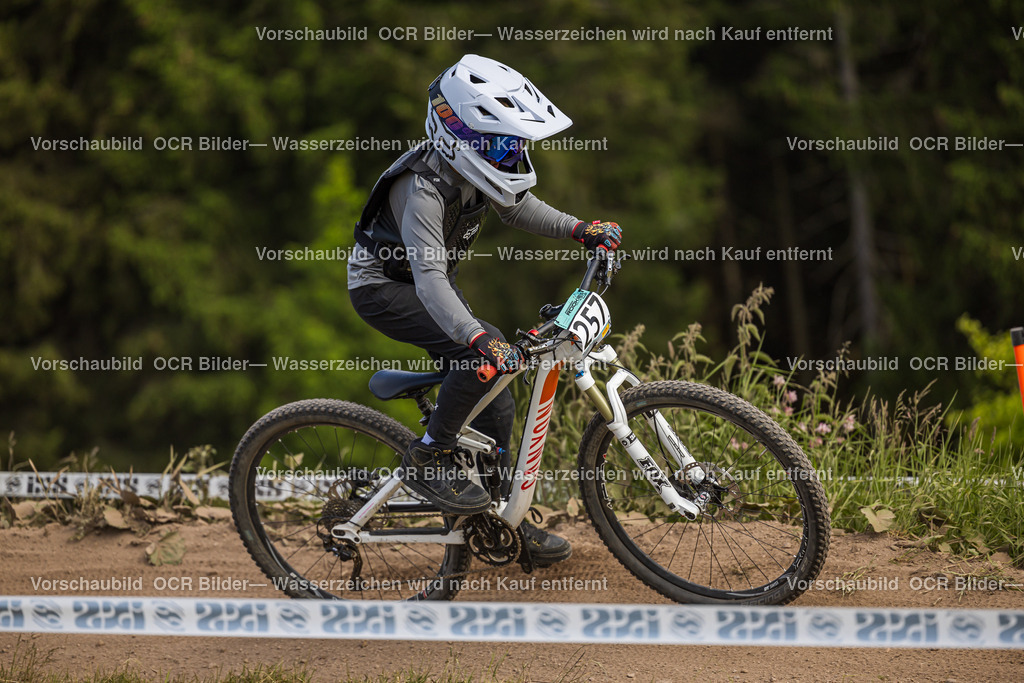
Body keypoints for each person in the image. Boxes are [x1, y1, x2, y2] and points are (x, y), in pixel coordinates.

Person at [348, 54, 621, 567]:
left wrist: (580, 228)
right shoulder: (422, 187)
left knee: (498, 392)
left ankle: (501, 522)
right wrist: (476, 337)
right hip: (383, 289)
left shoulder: (471, 169)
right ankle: (430, 455)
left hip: (432, 286)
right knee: (485, 350)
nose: (510, 154)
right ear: (457, 134)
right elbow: (428, 281)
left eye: (515, 144)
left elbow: (517, 206)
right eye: (499, 143)